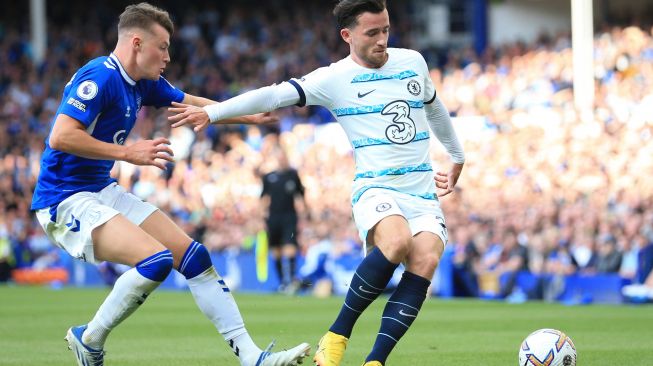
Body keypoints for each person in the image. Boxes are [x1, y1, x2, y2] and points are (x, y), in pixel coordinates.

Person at [168, 0, 465, 364]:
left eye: (385, 29)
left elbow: (433, 107)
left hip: (421, 190)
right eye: (372, 33)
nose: (382, 40)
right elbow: (273, 95)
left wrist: (457, 156)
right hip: (376, 186)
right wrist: (213, 112)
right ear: (347, 35)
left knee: (426, 261)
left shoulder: (412, 62)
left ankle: (376, 360)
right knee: (397, 241)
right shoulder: (333, 79)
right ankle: (337, 335)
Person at [30, 3, 310, 366]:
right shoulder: (99, 76)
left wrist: (246, 116)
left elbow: (192, 105)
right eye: (161, 46)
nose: (167, 56)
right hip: (64, 199)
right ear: (136, 43)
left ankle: (252, 357)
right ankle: (90, 338)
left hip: (100, 190)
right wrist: (128, 153)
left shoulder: (143, 83)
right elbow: (61, 136)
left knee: (194, 257)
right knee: (156, 259)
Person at [260, 148, 308, 293]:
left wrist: (306, 213)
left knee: (290, 246)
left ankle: (292, 280)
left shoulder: (293, 175)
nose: (282, 160)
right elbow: (263, 198)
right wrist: (261, 217)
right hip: (273, 217)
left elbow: (300, 195)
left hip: (289, 216)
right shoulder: (269, 177)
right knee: (276, 250)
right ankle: (282, 283)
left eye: (283, 157)